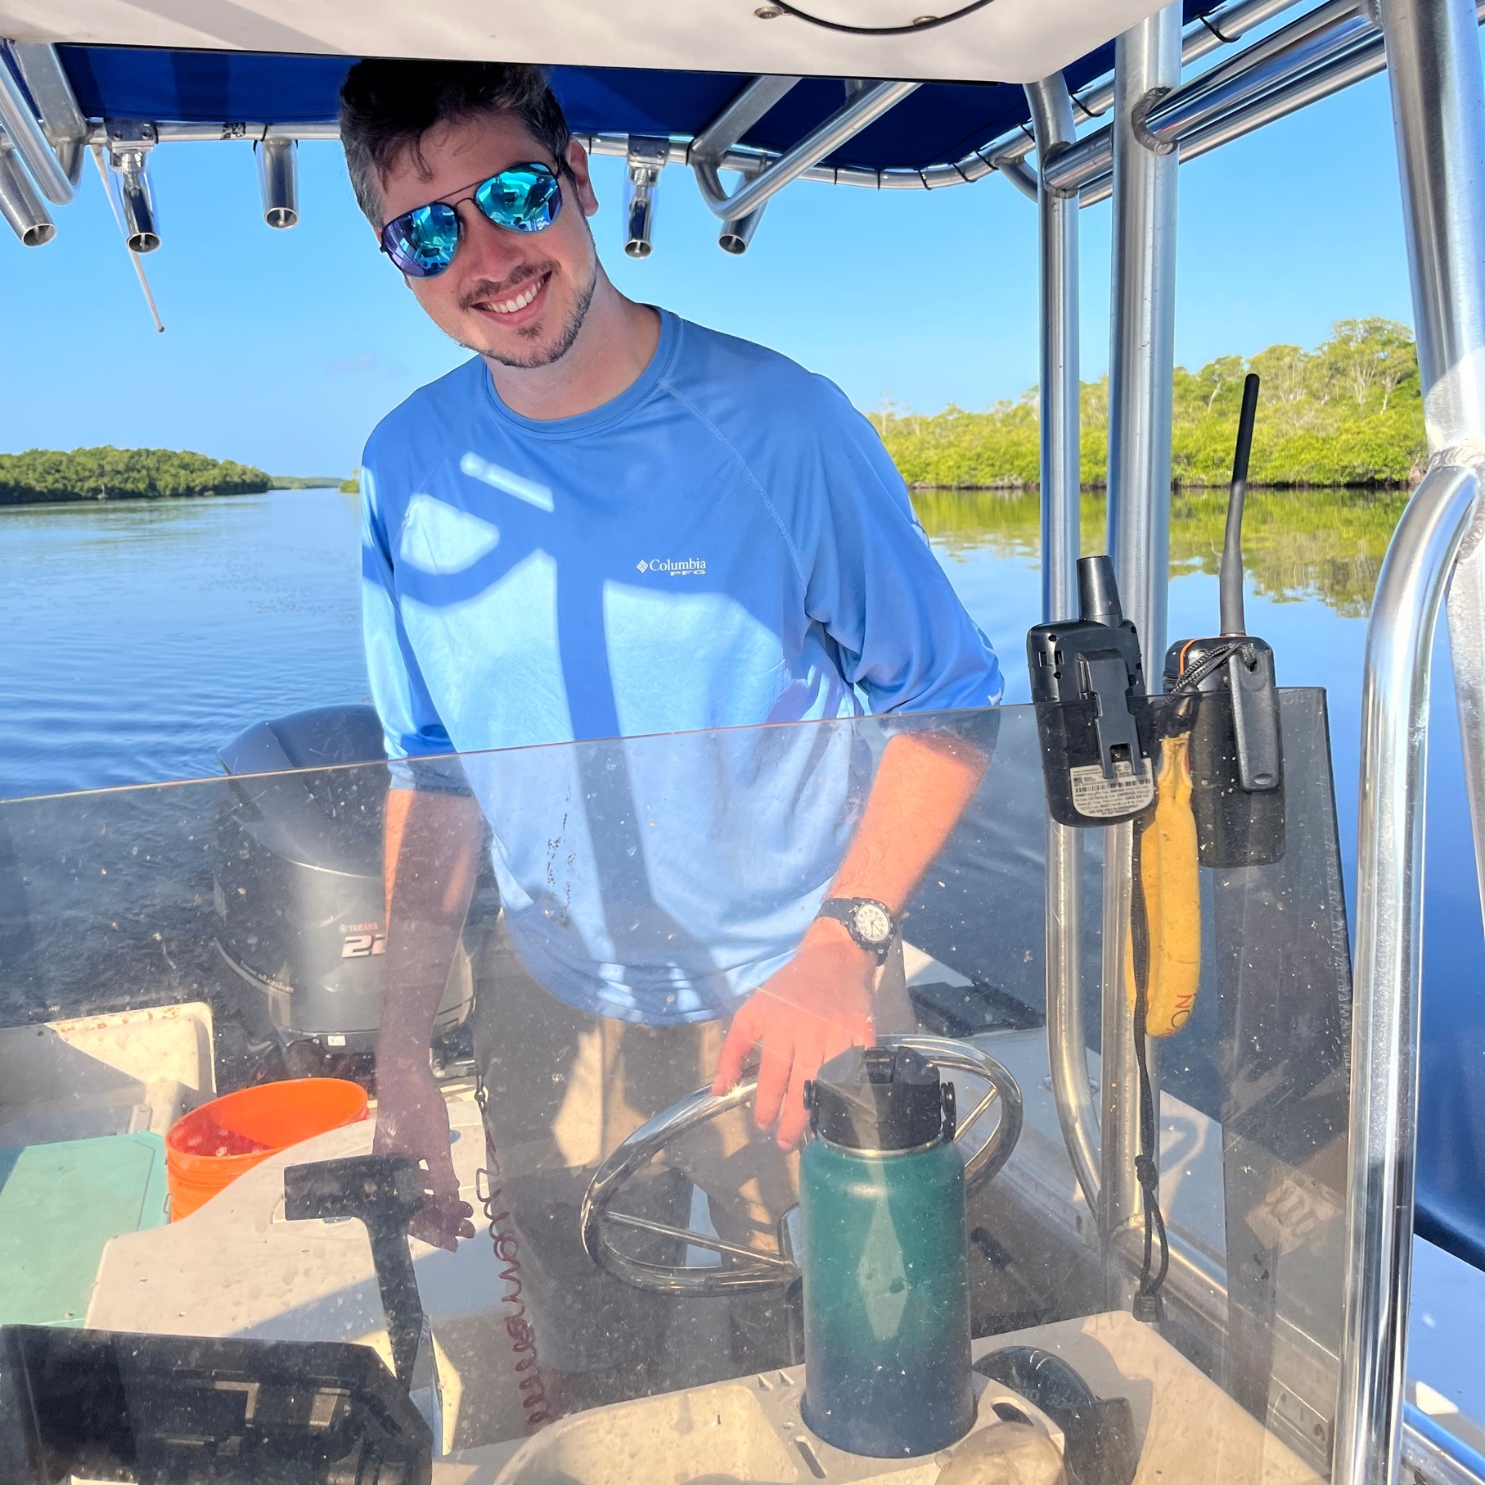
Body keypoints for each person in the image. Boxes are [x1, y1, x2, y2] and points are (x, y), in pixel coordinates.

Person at [339, 58, 1003, 1408]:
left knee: (841, 1359)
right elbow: (435, 769)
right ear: (396, 259)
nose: (486, 254)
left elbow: (945, 695)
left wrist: (848, 939)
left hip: (796, 988)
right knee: (581, 1360)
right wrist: (401, 1043)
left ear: (579, 181)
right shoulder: (404, 465)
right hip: (551, 995)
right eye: (428, 229)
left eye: (512, 192)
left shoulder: (780, 422)